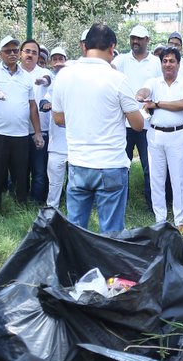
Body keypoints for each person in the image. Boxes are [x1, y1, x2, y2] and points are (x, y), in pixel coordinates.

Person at [51, 23, 144, 233]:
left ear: (85, 47)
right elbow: (138, 124)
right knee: (111, 233)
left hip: (78, 162)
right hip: (110, 164)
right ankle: (109, 266)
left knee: (75, 229)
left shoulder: (64, 76)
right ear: (112, 47)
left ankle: (77, 266)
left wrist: (79, 117)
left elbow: (57, 117)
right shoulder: (117, 79)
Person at [0, 35, 43, 208]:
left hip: (20, 134)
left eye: (15, 50)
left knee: (21, 174)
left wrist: (37, 132)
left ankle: (20, 207)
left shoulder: (25, 77)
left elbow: (32, 106)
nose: (12, 53)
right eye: (7, 51)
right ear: (1, 54)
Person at [139, 47, 183, 230]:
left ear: (178, 64)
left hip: (178, 135)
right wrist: (141, 95)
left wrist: (157, 104)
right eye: (165, 61)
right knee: (156, 179)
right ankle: (160, 219)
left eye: (172, 61)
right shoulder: (154, 82)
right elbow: (144, 91)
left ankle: (179, 221)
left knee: (178, 179)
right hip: (155, 135)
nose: (168, 64)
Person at [115, 25, 162, 210]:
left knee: (149, 166)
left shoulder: (156, 63)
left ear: (147, 40)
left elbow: (159, 88)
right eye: (133, 38)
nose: (135, 41)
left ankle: (152, 205)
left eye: (140, 38)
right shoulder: (121, 60)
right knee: (121, 166)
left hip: (148, 124)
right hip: (123, 123)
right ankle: (121, 204)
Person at [20, 39, 51, 203]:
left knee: (39, 172)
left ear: (38, 56)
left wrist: (44, 81)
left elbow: (48, 79)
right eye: (27, 51)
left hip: (41, 131)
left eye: (34, 52)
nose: (30, 55)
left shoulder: (44, 73)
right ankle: (21, 202)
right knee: (20, 170)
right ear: (21, 53)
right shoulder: (15, 73)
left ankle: (37, 204)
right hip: (18, 131)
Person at [41, 52, 69, 209]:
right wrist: (48, 105)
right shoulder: (54, 85)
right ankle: (51, 213)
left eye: (61, 60)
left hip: (75, 147)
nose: (59, 63)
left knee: (76, 186)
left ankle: (74, 215)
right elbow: (43, 103)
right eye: (55, 59)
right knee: (54, 185)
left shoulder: (77, 86)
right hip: (56, 146)